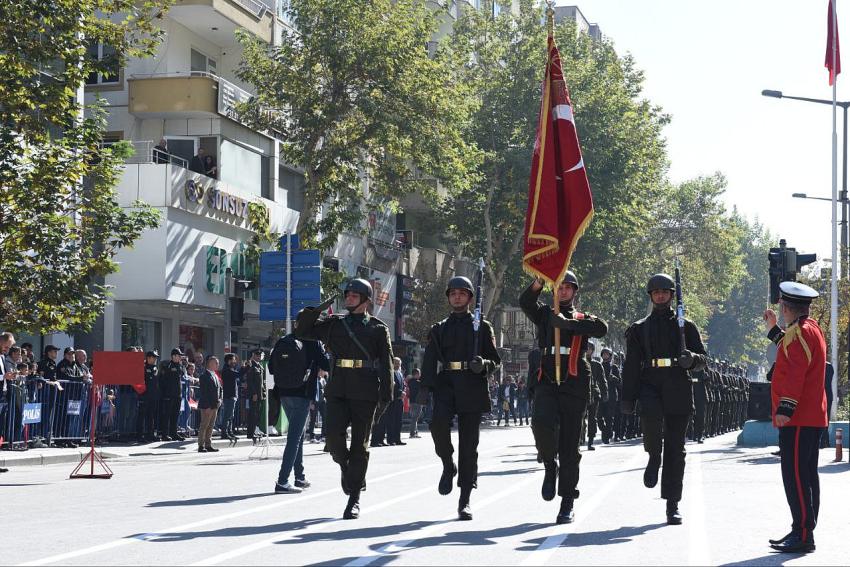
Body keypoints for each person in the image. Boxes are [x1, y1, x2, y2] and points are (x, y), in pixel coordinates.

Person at [295, 278, 394, 520]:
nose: (348, 298)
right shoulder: (334, 325)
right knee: (333, 438)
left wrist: (387, 396)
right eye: (347, 295)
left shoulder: (378, 329)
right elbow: (302, 331)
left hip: (366, 392)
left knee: (360, 445)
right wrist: (315, 310)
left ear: (365, 300)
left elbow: (387, 365)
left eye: (353, 295)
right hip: (338, 389)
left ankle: (354, 499)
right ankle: (346, 468)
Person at [519, 272, 607, 524]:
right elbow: (526, 303)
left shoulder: (582, 318)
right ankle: (549, 463)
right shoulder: (545, 313)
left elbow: (602, 328)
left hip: (574, 384)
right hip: (547, 379)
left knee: (570, 446)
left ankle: (567, 500)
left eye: (568, 288)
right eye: (559, 287)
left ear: (575, 291)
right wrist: (538, 282)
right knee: (540, 423)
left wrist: (567, 324)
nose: (563, 292)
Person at [622, 273, 708, 526]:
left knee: (676, 449)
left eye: (664, 291)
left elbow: (704, 360)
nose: (660, 295)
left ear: (671, 295)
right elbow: (631, 366)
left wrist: (691, 359)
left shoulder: (686, 326)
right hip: (650, 383)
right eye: (655, 292)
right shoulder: (639, 328)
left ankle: (672, 504)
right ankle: (652, 455)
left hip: (677, 386)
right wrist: (627, 398)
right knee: (650, 424)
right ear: (651, 296)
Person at [418, 275, 501, 521]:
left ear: (469, 298)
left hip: (472, 384)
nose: (457, 297)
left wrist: (483, 364)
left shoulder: (482, 327)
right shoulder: (439, 328)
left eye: (462, 293)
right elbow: (430, 359)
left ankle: (464, 498)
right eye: (453, 293)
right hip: (447, 383)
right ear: (448, 298)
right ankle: (447, 463)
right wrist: (425, 388)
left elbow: (495, 360)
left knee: (469, 445)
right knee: (437, 425)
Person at [763, 282, 828, 554]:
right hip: (809, 417)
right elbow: (790, 347)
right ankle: (801, 528)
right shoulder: (807, 329)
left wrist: (785, 410)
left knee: (797, 476)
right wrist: (773, 330)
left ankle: (803, 534)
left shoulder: (800, 333)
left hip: (799, 417)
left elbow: (795, 373)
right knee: (805, 474)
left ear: (787, 307)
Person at [270, 331, 330, 493]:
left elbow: (270, 368)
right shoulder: (313, 341)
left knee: (300, 434)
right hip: (302, 394)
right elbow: (326, 365)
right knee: (294, 438)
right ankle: (282, 481)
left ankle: (300, 477)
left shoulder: (284, 340)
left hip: (283, 393)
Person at [159, 349, 187, 441]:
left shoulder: (179, 365)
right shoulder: (167, 365)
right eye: (178, 355)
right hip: (168, 394)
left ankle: (173, 433)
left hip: (177, 394)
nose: (180, 357)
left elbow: (183, 374)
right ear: (173, 356)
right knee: (167, 415)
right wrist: (164, 393)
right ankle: (164, 434)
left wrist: (184, 365)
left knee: (175, 415)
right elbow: (162, 379)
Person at [197, 356, 223, 453]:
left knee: (211, 426)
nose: (217, 365)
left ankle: (208, 444)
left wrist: (220, 399)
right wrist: (207, 406)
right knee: (204, 425)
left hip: (215, 405)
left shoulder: (215, 376)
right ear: (210, 364)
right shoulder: (204, 376)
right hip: (207, 406)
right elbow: (204, 392)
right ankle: (201, 445)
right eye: (216, 363)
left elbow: (220, 389)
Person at [585, 343, 608, 451]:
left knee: (592, 419)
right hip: (581, 394)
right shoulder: (579, 362)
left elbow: (602, 381)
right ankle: (579, 440)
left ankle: (590, 441)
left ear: (593, 350)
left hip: (594, 394)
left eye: (589, 349)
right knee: (579, 419)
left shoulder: (597, 365)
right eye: (586, 348)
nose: (587, 350)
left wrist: (605, 393)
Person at [245, 349, 268, 442]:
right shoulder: (251, 365)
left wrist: (263, 393)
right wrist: (254, 393)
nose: (259, 357)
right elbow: (250, 382)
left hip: (260, 394)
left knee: (257, 414)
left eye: (260, 355)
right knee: (253, 414)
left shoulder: (259, 366)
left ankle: (255, 430)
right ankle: (250, 433)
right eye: (257, 355)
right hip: (254, 394)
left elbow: (262, 382)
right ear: (253, 355)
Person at [219, 353, 240, 442]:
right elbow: (238, 374)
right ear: (229, 360)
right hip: (229, 396)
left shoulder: (230, 369)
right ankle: (224, 432)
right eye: (233, 359)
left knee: (231, 415)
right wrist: (245, 368)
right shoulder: (226, 369)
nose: (234, 361)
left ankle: (229, 431)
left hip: (232, 395)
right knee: (227, 415)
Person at [407, 368, 424, 438]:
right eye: (419, 373)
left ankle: (415, 432)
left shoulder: (410, 381)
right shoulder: (418, 383)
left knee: (414, 418)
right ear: (416, 374)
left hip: (411, 401)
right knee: (415, 418)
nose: (420, 375)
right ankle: (412, 433)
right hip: (417, 402)